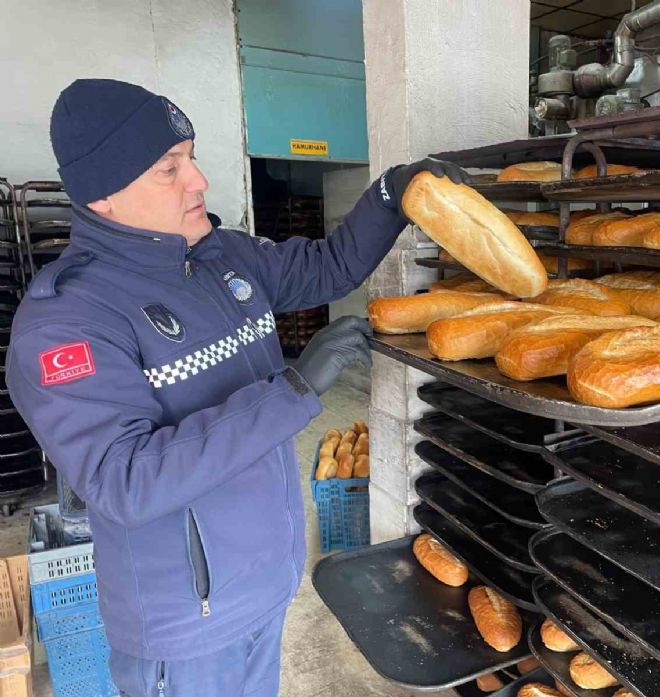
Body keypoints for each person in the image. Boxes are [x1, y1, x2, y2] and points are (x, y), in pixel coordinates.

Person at [6, 78, 466, 697]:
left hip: (266, 586)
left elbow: (327, 267)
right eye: (170, 168)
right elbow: (125, 479)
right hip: (188, 624)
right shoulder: (68, 321)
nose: (198, 180)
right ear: (106, 195)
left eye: (191, 157)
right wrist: (294, 387)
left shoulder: (223, 258)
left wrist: (389, 193)